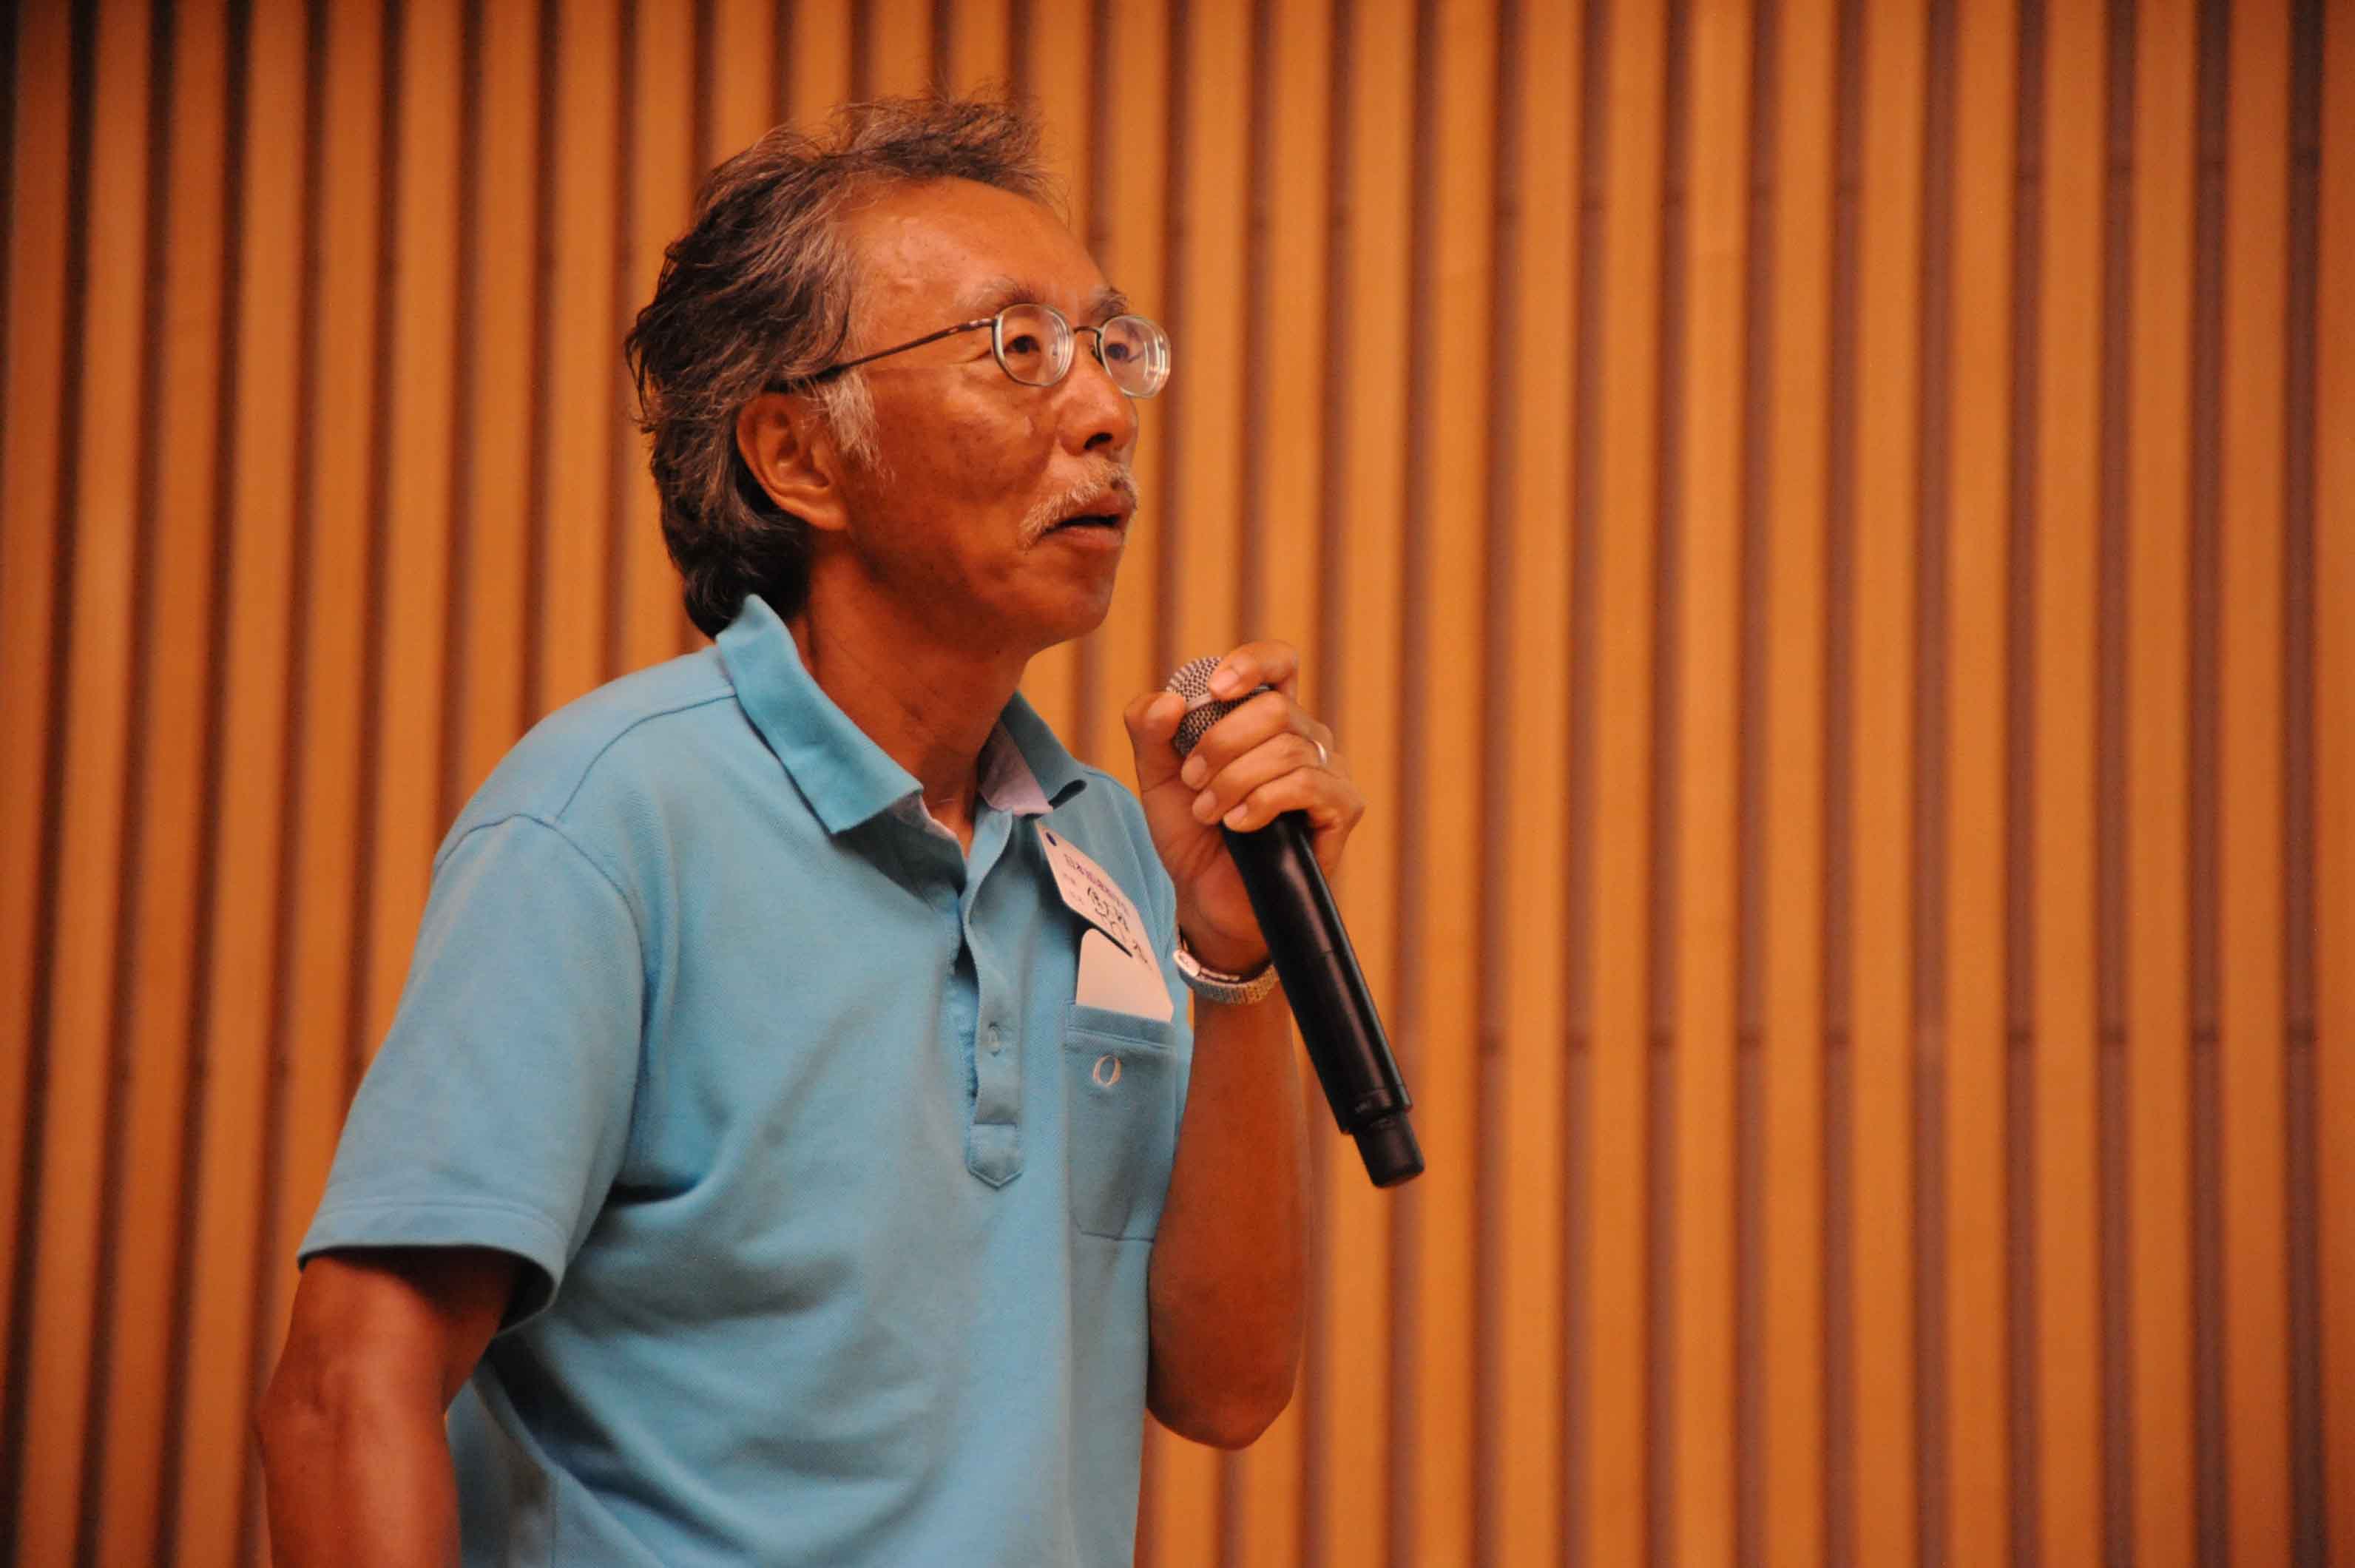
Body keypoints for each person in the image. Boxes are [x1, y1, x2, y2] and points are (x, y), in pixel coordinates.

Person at [255, 95, 1362, 1567]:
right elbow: (345, 1394)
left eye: (1108, 345)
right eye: (1016, 348)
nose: (1104, 411)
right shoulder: (610, 817)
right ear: (797, 455)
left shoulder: (1107, 845)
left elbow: (1225, 1389)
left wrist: (1231, 963)